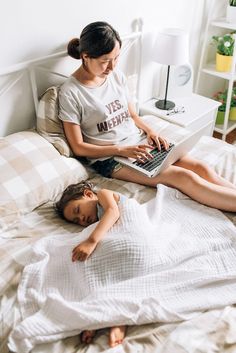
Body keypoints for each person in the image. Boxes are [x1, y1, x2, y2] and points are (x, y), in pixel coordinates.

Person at [58, 21, 236, 212]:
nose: (112, 66)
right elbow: (78, 147)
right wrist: (122, 150)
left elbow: (132, 114)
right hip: (110, 159)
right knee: (185, 178)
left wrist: (151, 132)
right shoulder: (70, 92)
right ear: (85, 57)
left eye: (116, 58)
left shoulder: (116, 76)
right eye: (105, 61)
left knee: (201, 169)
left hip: (140, 143)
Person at [56, 180, 127, 347]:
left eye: (78, 210)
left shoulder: (103, 194)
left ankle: (119, 319)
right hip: (118, 243)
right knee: (97, 271)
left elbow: (113, 212)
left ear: (88, 194)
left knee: (120, 265)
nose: (81, 219)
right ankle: (99, 314)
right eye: (76, 221)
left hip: (133, 233)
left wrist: (91, 240)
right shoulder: (95, 224)